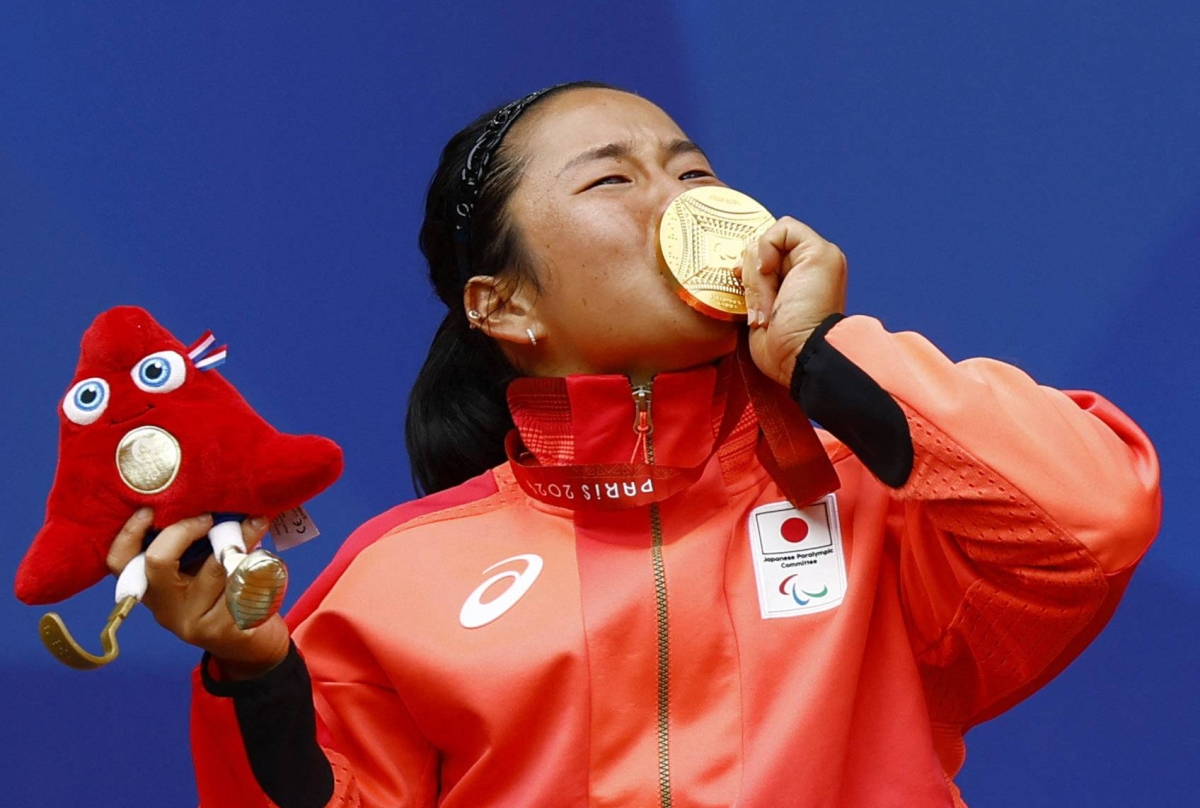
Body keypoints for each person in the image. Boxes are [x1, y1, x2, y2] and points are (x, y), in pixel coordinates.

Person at [106, 82, 1161, 808]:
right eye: (614, 181)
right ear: (504, 304)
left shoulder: (881, 491)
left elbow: (1091, 521)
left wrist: (827, 358)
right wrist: (254, 675)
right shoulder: (395, 579)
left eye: (693, 172)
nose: (688, 204)